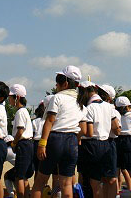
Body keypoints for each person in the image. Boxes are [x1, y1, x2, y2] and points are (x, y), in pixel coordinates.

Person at [32, 65, 87, 198]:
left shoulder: (57, 98)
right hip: (72, 142)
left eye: (57, 82)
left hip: (55, 140)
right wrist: (76, 138)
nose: (56, 85)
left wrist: (42, 143)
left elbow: (50, 121)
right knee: (67, 184)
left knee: (40, 182)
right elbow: (84, 129)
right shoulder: (81, 103)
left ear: (65, 83)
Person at [78, 81, 119, 198]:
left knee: (94, 183)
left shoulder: (88, 108)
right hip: (107, 144)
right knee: (109, 179)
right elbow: (116, 128)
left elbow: (89, 132)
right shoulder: (108, 107)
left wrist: (78, 135)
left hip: (91, 146)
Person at [8, 84, 34, 198]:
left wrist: (14, 143)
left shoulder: (20, 112)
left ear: (17, 97)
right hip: (28, 144)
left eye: (11, 97)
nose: (9, 99)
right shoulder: (24, 111)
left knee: (19, 176)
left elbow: (20, 131)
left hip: (23, 144)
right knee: (24, 176)